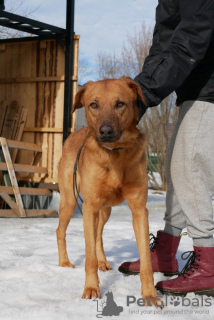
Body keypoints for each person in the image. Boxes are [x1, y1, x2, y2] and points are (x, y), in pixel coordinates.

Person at [119, 0, 214, 296]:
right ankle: (167, 249)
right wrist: (138, 95)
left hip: (210, 86)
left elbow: (191, 37)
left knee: (189, 164)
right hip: (194, 87)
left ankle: (208, 264)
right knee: (176, 165)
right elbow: (163, 44)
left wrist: (145, 91)